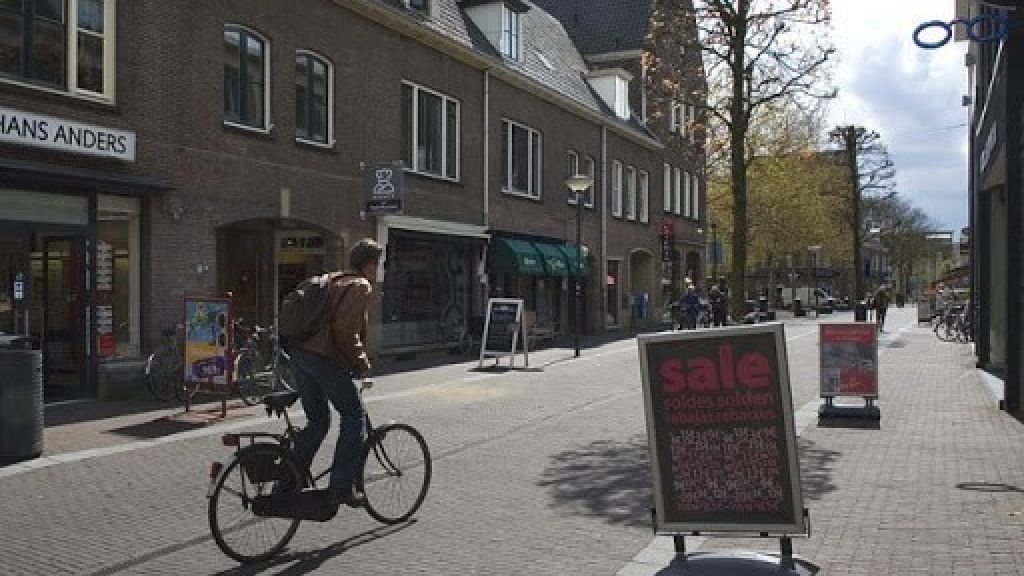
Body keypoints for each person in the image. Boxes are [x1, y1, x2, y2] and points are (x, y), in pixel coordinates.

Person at [289, 238, 382, 507]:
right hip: (323, 358)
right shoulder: (359, 285)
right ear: (369, 264)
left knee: (318, 421)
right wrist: (362, 363)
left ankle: (288, 479)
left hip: (300, 355)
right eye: (377, 264)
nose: (377, 270)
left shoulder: (331, 279)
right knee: (354, 416)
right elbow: (345, 332)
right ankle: (341, 486)